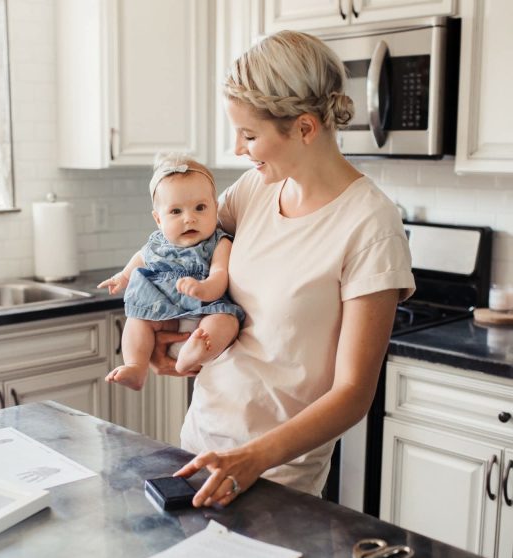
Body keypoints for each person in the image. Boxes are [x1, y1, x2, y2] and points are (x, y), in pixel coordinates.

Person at [151, 30, 415, 507]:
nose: (238, 149)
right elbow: (179, 253)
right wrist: (162, 332)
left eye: (250, 135)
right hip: (199, 444)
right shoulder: (254, 190)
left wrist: (253, 458)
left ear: (305, 128)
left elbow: (354, 392)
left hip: (280, 477)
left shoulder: (371, 225)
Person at [97, 153, 245, 391]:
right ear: (158, 219)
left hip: (205, 309)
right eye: (176, 212)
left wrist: (204, 289)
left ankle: (191, 356)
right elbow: (139, 260)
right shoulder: (156, 243)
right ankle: (136, 367)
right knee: (137, 321)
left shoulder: (219, 242)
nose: (190, 219)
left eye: (200, 208)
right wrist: (121, 278)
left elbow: (220, 274)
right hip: (161, 311)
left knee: (226, 322)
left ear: (215, 209)